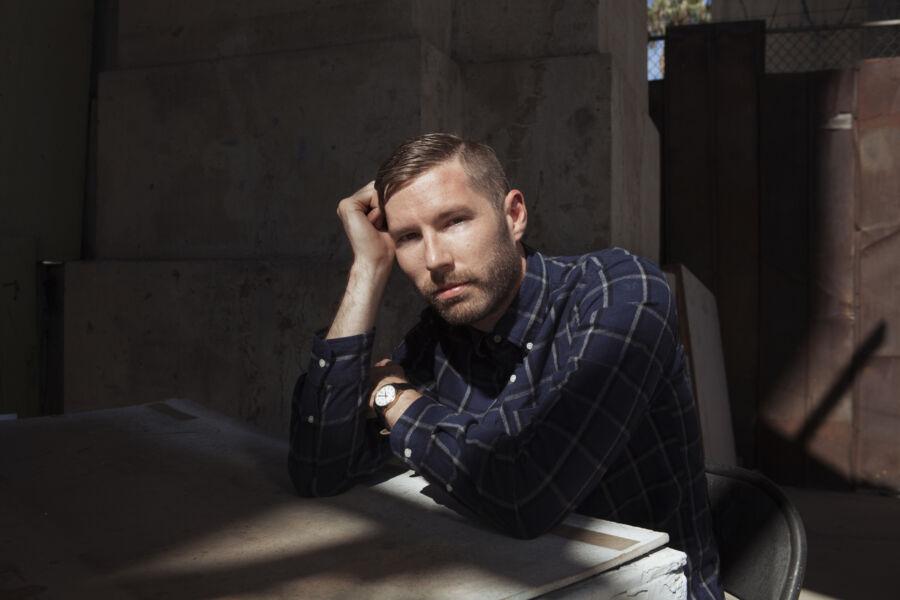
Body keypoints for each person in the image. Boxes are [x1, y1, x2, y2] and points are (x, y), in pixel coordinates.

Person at [288, 133, 723, 599]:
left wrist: (392, 397)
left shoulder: (621, 294)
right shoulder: (440, 334)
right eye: (409, 238)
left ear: (513, 215)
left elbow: (524, 494)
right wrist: (367, 271)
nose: (435, 260)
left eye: (454, 221)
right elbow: (321, 468)